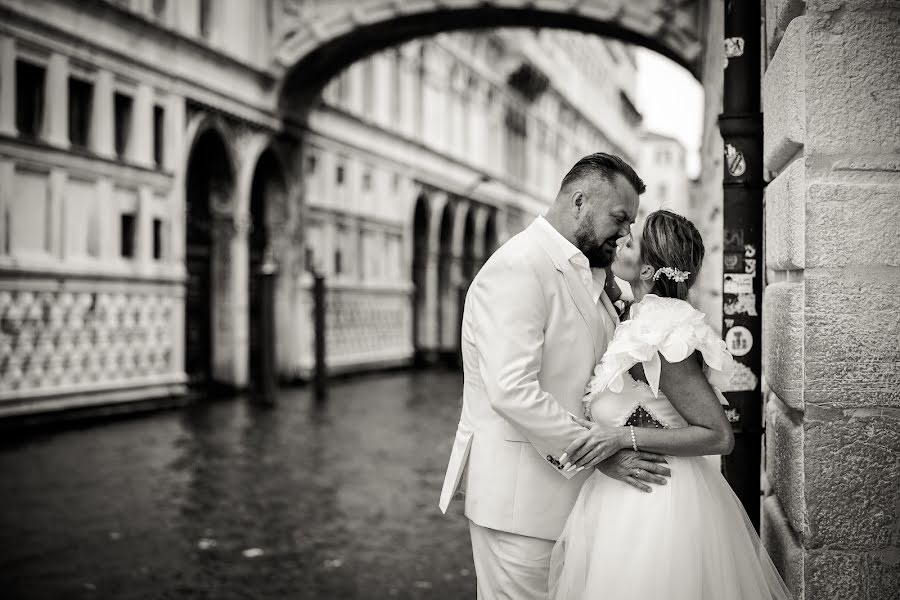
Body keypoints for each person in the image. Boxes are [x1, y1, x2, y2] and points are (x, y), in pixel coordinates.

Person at [439, 153, 673, 599]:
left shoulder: (594, 274)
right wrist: (602, 454)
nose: (626, 234)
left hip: (576, 504)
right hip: (519, 509)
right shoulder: (517, 268)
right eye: (619, 218)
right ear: (579, 201)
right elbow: (512, 392)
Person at [548, 210, 791, 600]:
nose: (622, 240)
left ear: (647, 272)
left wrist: (621, 437)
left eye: (632, 241)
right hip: (624, 498)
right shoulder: (643, 317)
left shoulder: (665, 335)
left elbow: (718, 435)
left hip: (657, 509)